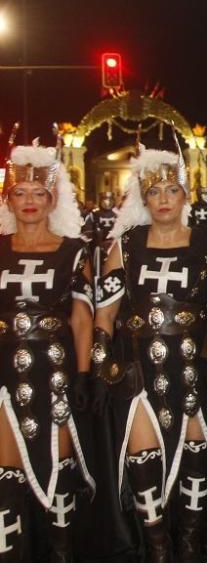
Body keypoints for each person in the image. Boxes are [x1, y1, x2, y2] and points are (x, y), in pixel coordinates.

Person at [94, 139, 207, 561]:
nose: (164, 199)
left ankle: (188, 544)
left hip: (192, 367)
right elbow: (105, 312)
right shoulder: (126, 245)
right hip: (139, 369)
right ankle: (157, 549)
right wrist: (101, 368)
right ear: (143, 197)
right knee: (143, 459)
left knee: (194, 457)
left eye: (172, 190)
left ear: (186, 194)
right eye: (154, 191)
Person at [0, 129, 97, 560]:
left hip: (54, 373)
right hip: (3, 373)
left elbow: (81, 318)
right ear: (7, 199)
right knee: (8, 478)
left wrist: (82, 373)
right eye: (20, 191)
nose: (29, 200)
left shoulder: (75, 251)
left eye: (39, 191)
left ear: (53, 198)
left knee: (59, 475)